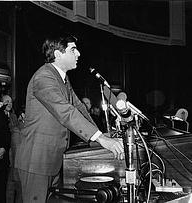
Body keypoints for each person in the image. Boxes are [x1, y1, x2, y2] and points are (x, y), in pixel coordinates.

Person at [15, 34, 124, 203]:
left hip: (51, 159)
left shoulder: (62, 78)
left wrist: (99, 136)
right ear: (58, 54)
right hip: (36, 160)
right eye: (73, 49)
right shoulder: (44, 77)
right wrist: (100, 139)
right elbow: (65, 111)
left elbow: (79, 107)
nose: (78, 53)